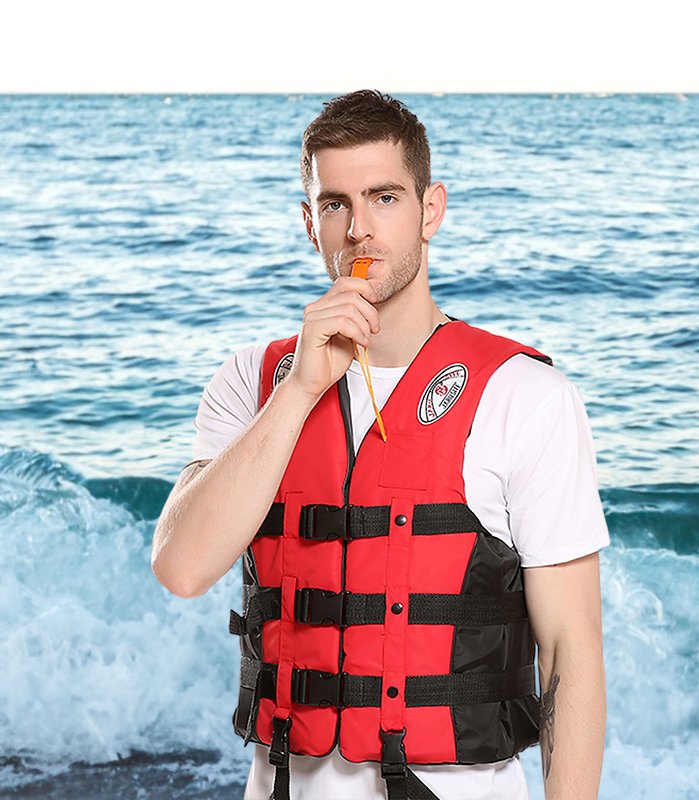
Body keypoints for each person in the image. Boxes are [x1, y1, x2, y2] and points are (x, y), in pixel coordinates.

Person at [151, 89, 609, 800]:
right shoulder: (251, 382)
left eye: (384, 198)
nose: (359, 229)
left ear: (431, 210)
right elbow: (180, 568)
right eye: (335, 204)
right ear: (310, 223)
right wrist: (300, 391)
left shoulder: (526, 397)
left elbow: (570, 655)